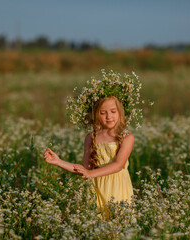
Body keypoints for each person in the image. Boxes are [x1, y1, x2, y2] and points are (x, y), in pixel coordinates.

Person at [44, 70, 143, 217]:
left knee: (119, 226)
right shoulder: (91, 137)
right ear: (96, 115)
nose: (109, 116)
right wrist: (59, 162)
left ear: (120, 112)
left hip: (118, 188)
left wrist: (91, 173)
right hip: (96, 189)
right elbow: (85, 169)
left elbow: (118, 165)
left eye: (113, 111)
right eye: (103, 113)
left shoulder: (127, 137)